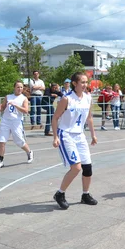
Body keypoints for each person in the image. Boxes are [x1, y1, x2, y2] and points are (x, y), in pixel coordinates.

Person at [52, 72, 98, 210]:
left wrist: (93, 135)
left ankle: (85, 195)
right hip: (66, 134)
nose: (85, 85)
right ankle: (60, 194)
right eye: (82, 82)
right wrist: (55, 137)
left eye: (86, 82)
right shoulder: (66, 99)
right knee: (76, 168)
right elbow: (55, 118)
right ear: (74, 84)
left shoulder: (88, 98)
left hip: (80, 135)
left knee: (87, 168)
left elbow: (89, 118)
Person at [0, 81, 34, 169]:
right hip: (6, 121)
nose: (19, 89)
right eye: (18, 87)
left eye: (21, 87)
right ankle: (0, 161)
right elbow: (3, 108)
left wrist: (16, 105)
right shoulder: (8, 97)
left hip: (16, 121)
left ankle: (29, 152)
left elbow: (26, 111)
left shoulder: (24, 98)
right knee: (2, 141)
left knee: (19, 141)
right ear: (14, 88)